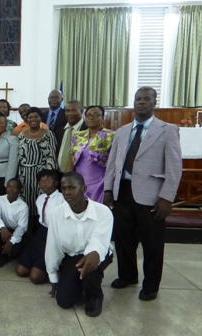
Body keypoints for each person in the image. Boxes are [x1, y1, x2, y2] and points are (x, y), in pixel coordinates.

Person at [104, 86, 182, 301]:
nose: (141, 102)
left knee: (152, 243)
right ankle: (127, 276)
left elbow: (174, 166)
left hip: (152, 196)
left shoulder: (167, 129)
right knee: (123, 240)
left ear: (154, 102)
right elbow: (113, 163)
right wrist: (108, 188)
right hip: (123, 193)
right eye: (138, 99)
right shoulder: (121, 131)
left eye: (146, 99)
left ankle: (150, 286)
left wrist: (167, 198)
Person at [46, 172, 113, 317]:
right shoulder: (57, 214)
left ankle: (94, 295)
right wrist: (53, 277)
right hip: (74, 256)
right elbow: (53, 246)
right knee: (64, 301)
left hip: (98, 253)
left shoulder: (103, 212)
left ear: (83, 189)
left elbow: (99, 241)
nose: (67, 192)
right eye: (64, 188)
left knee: (90, 267)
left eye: (72, 188)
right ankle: (80, 282)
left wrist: (93, 254)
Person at [16, 169, 64, 283]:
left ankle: (52, 269)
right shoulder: (40, 198)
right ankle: (36, 265)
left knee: (35, 277)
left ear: (56, 183)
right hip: (41, 233)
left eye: (48, 181)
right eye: (41, 182)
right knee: (20, 271)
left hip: (54, 234)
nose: (44, 184)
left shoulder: (62, 199)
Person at [18, 107, 59, 226]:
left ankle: (41, 230)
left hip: (42, 175)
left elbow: (51, 157)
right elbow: (19, 157)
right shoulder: (21, 135)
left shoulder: (49, 135)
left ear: (41, 118)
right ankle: (27, 232)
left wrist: (50, 178)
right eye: (30, 117)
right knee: (26, 204)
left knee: (42, 204)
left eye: (36, 116)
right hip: (25, 175)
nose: (33, 119)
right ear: (26, 119)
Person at [66, 106, 115, 203]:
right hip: (79, 182)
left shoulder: (111, 136)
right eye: (88, 115)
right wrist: (67, 180)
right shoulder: (78, 136)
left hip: (101, 183)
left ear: (103, 118)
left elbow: (115, 163)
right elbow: (71, 160)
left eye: (96, 115)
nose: (91, 118)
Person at [0, 178, 29, 268]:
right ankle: (3, 256)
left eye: (15, 187)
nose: (11, 189)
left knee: (15, 254)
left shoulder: (23, 206)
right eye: (9, 186)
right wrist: (2, 228)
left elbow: (22, 227)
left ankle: (13, 253)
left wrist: (11, 242)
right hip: (4, 229)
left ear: (20, 190)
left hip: (16, 231)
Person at [56, 100, 88, 172]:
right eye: (67, 111)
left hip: (79, 175)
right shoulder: (59, 131)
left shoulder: (87, 130)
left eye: (73, 110)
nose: (70, 113)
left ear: (82, 111)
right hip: (59, 175)